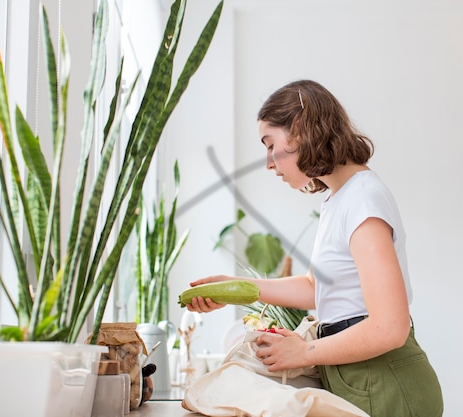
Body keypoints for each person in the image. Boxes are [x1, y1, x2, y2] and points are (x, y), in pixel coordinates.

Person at [184, 79, 443, 417]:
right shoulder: (339, 199)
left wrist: (304, 352)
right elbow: (315, 287)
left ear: (302, 133)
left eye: (270, 143)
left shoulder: (363, 200)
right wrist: (232, 289)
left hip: (384, 384)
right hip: (359, 377)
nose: (268, 162)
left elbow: (390, 326)